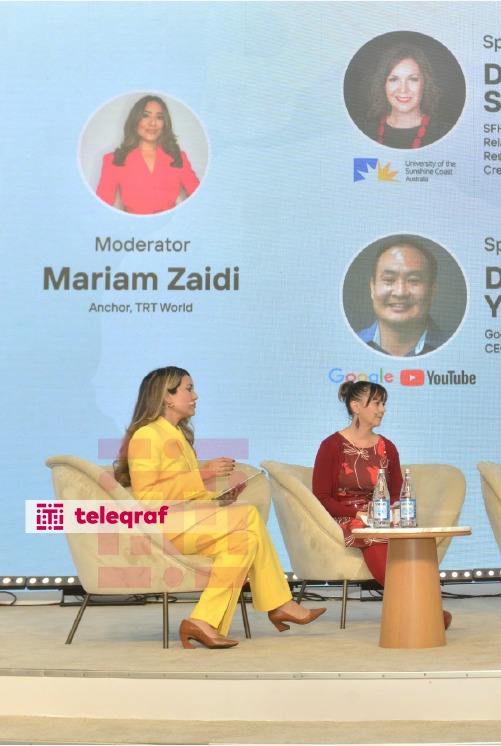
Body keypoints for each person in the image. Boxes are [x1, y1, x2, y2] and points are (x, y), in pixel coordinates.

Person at [114, 367, 324, 649]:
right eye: (189, 389)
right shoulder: (147, 436)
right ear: (167, 396)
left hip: (183, 524)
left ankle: (202, 622)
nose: (195, 396)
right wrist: (203, 475)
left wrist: (216, 500)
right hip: (159, 527)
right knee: (248, 515)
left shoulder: (178, 436)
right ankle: (280, 604)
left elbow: (181, 493)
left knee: (242, 541)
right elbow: (147, 498)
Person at [312, 380, 451, 629]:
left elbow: (397, 493)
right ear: (356, 407)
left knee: (410, 536)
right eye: (376, 403)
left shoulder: (387, 447)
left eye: (383, 404)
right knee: (373, 536)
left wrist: (390, 514)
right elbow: (322, 498)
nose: (382, 409)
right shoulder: (332, 446)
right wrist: (359, 514)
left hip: (383, 515)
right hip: (349, 516)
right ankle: (430, 613)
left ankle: (422, 610)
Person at [95, 95, 200, 214]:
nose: (153, 123)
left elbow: (200, 199)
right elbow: (100, 209)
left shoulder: (178, 157)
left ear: (164, 124)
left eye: (159, 117)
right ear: (135, 121)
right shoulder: (114, 160)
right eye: (146, 115)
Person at [357, 240, 449, 356]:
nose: (400, 292)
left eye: (413, 281)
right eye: (389, 280)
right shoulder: (347, 346)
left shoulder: (459, 348)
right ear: (372, 288)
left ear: (433, 291)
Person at [364, 44, 452, 148]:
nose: (403, 89)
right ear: (383, 85)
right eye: (394, 79)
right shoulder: (364, 131)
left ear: (424, 83)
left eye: (413, 79)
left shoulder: (446, 133)